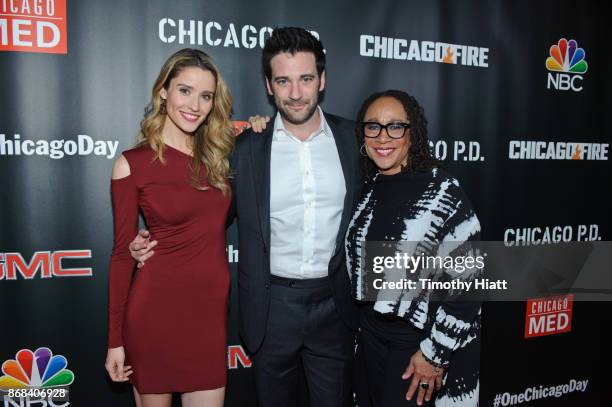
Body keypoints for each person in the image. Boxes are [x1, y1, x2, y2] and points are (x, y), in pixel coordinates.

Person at [130, 27, 362, 407]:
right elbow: (205, 217)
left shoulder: (354, 141)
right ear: (269, 87)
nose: (296, 93)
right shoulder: (247, 149)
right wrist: (151, 239)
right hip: (270, 310)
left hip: (334, 308)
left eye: (305, 79)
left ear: (322, 80)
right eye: (283, 81)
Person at [105, 48, 235, 407]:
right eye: (184, 91)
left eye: (206, 95)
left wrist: (257, 124)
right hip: (155, 315)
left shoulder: (220, 158)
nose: (195, 104)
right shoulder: (133, 164)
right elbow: (121, 256)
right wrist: (114, 340)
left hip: (209, 317)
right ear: (163, 91)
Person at [345, 90, 482, 407]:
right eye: (373, 127)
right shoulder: (367, 190)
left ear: (413, 133)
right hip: (368, 339)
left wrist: (435, 352)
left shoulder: (442, 191)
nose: (383, 137)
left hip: (416, 346)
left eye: (395, 126)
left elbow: (470, 283)